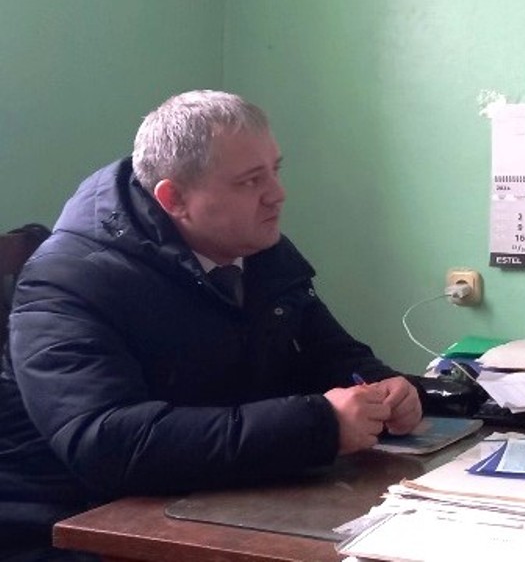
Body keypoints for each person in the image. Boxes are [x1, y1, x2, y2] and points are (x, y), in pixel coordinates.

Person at [0, 90, 426, 560]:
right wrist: (319, 425)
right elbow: (109, 444)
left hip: (216, 495)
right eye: (250, 180)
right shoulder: (67, 280)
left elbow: (331, 354)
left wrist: (382, 388)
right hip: (76, 526)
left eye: (275, 170)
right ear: (174, 198)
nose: (277, 194)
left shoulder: (253, 245)